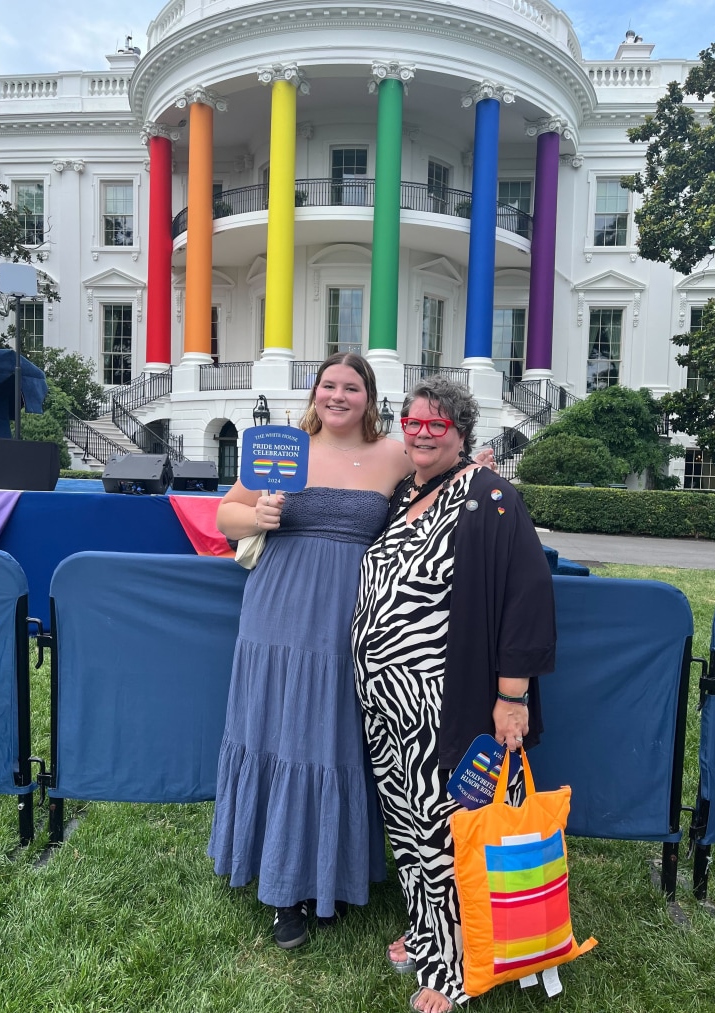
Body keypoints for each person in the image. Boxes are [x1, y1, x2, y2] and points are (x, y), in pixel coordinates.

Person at [352, 376, 556, 1013]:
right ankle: (425, 934)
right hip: (389, 704)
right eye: (411, 422)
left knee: (448, 831)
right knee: (410, 831)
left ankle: (454, 968)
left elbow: (526, 598)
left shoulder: (490, 495)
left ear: (461, 432)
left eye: (434, 425)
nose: (419, 433)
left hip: (447, 702)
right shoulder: (405, 494)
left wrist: (512, 697)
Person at [208, 352, 413, 949]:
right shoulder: (283, 446)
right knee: (282, 733)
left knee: (338, 735)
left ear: (370, 397)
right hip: (280, 610)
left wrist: (476, 469)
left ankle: (332, 873)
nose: (338, 396)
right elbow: (224, 515)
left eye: (352, 387)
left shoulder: (395, 454)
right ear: (315, 391)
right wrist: (258, 515)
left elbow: (441, 491)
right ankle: (283, 892)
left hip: (359, 614)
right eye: (329, 385)